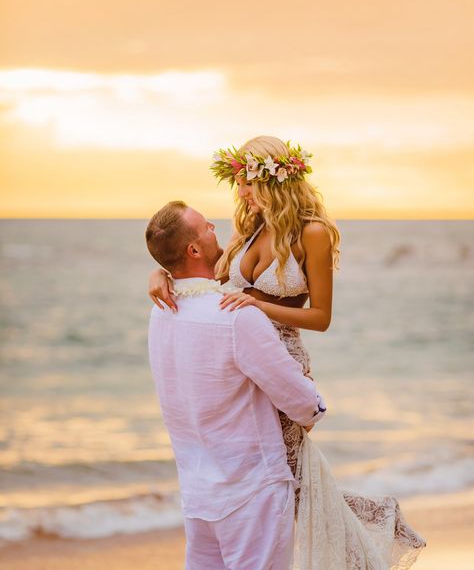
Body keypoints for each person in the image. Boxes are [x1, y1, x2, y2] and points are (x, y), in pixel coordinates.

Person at [148, 136, 426, 569]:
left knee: (276, 485)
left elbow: (321, 316)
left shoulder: (312, 233)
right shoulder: (249, 227)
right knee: (266, 485)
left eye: (246, 183)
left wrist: (260, 306)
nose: (239, 193)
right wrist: (162, 272)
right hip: (241, 362)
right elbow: (206, 273)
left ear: (273, 181)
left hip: (282, 361)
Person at [145, 200, 327, 570]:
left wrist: (159, 272)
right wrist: (314, 406)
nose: (215, 226)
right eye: (206, 227)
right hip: (251, 491)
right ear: (194, 250)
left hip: (198, 490)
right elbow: (299, 399)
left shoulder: (160, 309)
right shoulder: (236, 316)